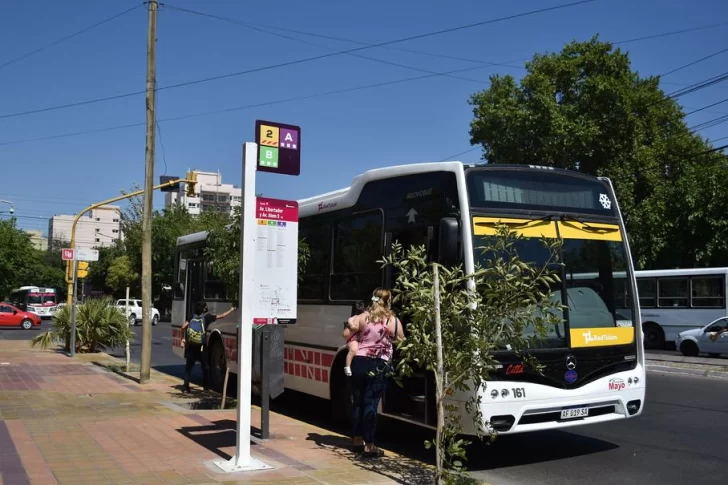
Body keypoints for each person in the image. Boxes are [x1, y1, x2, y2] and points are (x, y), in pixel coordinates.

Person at [343, 288, 405, 457]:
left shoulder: (363, 317)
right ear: (389, 300)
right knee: (370, 403)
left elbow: (347, 333)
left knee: (357, 401)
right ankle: (369, 445)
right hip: (379, 364)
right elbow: (402, 341)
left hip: (359, 362)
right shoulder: (393, 320)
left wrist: (351, 324)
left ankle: (356, 439)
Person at [180, 301, 236, 392]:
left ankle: (186, 386)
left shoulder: (192, 317)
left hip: (191, 346)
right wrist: (231, 309)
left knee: (188, 367)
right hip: (202, 346)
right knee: (205, 366)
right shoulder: (207, 317)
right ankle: (205, 386)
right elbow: (222, 316)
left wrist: (183, 339)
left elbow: (183, 327)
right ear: (204, 309)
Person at [344, 300, 367, 377]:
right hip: (353, 339)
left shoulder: (366, 315)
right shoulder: (353, 317)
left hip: (362, 339)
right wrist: (352, 325)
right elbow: (350, 321)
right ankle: (347, 366)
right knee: (354, 349)